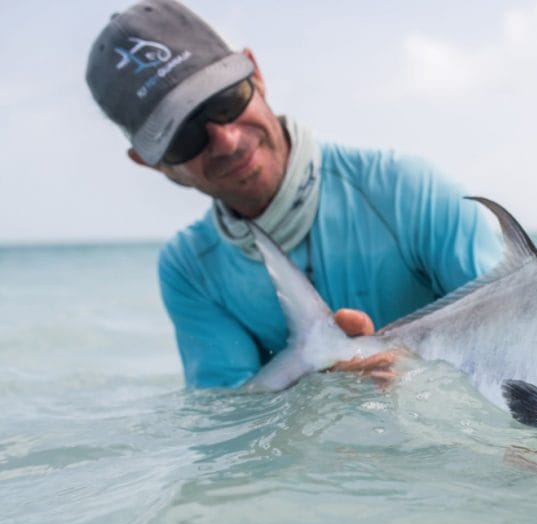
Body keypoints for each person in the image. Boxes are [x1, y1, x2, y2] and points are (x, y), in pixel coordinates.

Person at [85, 0, 502, 389]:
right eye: (185, 136)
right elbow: (229, 431)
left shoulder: (410, 192)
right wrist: (320, 392)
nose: (227, 141)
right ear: (150, 161)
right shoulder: (191, 271)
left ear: (255, 73)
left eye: (227, 101)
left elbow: (511, 347)